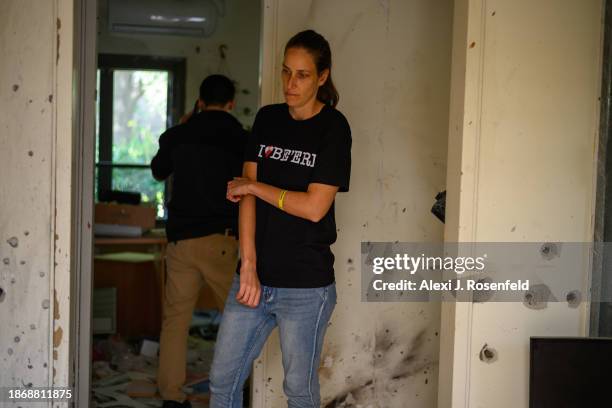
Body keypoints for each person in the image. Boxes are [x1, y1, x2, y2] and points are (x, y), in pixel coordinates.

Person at [209, 30, 352, 408]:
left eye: (302, 75)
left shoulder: (334, 128)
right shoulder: (268, 119)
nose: (290, 83)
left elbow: (314, 207)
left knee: (299, 392)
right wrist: (249, 266)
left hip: (306, 286)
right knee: (222, 383)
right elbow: (245, 197)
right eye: (286, 72)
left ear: (322, 76)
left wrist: (255, 188)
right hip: (255, 279)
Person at [151, 74, 248, 408]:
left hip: (181, 242)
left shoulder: (179, 135)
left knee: (176, 322)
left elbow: (158, 171)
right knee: (240, 322)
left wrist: (182, 126)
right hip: (222, 242)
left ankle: (171, 398)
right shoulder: (242, 138)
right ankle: (240, 393)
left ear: (200, 101)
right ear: (232, 103)